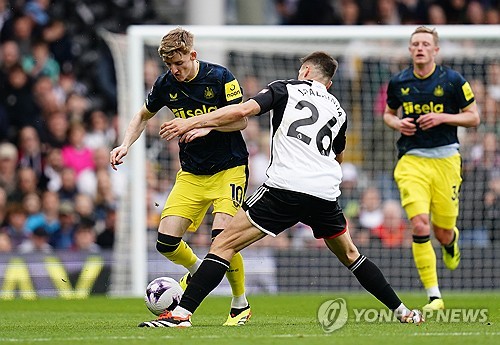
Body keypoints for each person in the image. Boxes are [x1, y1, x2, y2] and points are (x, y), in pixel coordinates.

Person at [140, 51, 424, 327]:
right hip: (324, 192)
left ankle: (182, 314)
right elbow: (338, 156)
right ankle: (402, 311)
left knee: (223, 244)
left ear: (305, 72)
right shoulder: (338, 110)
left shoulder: (285, 88)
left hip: (285, 187)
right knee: (351, 255)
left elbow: (242, 111)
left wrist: (194, 122)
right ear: (329, 84)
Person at [109, 27, 251, 326]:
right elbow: (141, 115)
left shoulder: (220, 77)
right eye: (170, 66)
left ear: (193, 55)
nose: (175, 71)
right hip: (191, 174)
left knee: (223, 238)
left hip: (229, 169)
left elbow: (241, 121)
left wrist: (207, 126)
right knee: (165, 242)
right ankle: (200, 270)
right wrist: (125, 144)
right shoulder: (165, 84)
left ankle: (240, 304)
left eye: (180, 64)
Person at [382, 26, 480, 311]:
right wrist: (398, 123)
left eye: (426, 43)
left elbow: (473, 117)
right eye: (415, 44)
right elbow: (388, 114)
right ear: (410, 50)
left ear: (436, 50)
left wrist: (442, 118)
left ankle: (451, 241)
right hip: (411, 160)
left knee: (442, 231)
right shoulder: (398, 82)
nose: (420, 48)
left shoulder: (452, 80)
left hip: (447, 160)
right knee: (420, 224)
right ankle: (434, 296)